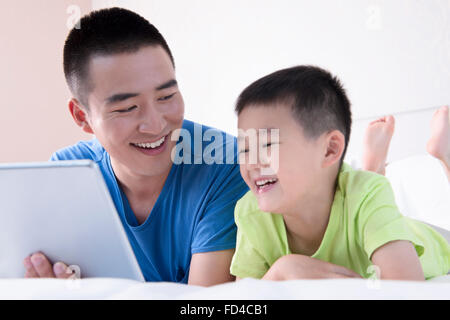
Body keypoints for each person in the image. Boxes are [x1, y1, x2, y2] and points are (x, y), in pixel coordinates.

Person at [22, 7, 248, 286]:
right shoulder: (69, 175)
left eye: (166, 96)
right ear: (83, 117)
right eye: (127, 108)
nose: (155, 125)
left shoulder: (227, 163)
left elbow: (202, 303)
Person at [230, 65, 450, 281]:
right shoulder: (249, 214)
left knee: (367, 191)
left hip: (428, 239)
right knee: (364, 194)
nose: (251, 163)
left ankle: (444, 155)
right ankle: (373, 168)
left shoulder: (367, 194)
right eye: (245, 149)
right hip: (362, 208)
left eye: (268, 144)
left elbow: (406, 291)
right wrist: (281, 271)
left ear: (330, 149)